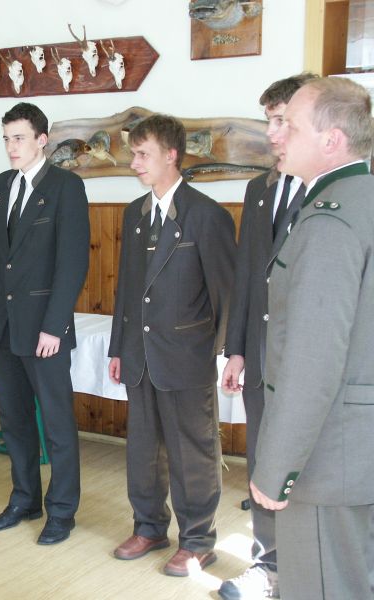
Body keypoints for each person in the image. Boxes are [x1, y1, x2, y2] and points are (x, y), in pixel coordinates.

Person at [250, 76, 374, 600]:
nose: (275, 136)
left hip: (327, 458)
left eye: (291, 126)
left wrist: (277, 468)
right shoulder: (362, 199)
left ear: (331, 140)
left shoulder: (330, 220)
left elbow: (313, 359)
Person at [107, 114, 235, 576]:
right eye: (133, 154)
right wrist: (117, 348)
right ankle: (149, 527)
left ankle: (198, 540)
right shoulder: (133, 214)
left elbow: (227, 293)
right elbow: (127, 289)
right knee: (143, 449)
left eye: (143, 154)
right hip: (139, 356)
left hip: (186, 356)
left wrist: (228, 354)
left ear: (171, 155)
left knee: (191, 452)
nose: (134, 162)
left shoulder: (208, 215)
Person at [218, 73, 317, 600]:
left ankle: (308, 571)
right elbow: (247, 277)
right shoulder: (258, 190)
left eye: (283, 120)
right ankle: (268, 565)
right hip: (258, 357)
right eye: (269, 120)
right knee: (262, 461)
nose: (274, 132)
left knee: (308, 467)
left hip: (307, 360)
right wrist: (235, 349)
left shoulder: (333, 189)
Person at [0, 102, 90, 545]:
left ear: (42, 140)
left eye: (19, 138)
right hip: (4, 325)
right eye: (6, 138)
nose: (11, 147)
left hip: (45, 329)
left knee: (57, 425)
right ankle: (24, 499)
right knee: (15, 421)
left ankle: (62, 511)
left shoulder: (66, 186)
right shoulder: (1, 185)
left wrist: (54, 326)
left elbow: (72, 262)